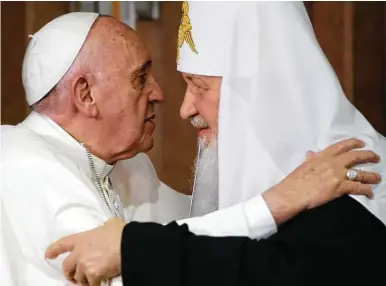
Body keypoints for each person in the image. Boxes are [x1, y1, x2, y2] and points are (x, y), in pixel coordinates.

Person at [45, 2, 386, 286]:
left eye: (200, 87)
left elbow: (261, 272)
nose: (184, 108)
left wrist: (132, 248)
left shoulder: (355, 185)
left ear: (260, 93)